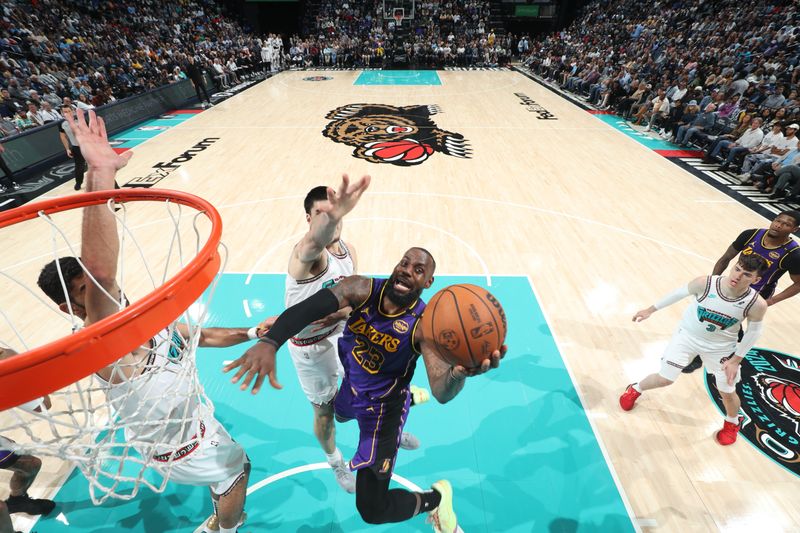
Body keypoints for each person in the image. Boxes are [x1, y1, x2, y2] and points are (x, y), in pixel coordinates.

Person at [37, 109, 260, 533]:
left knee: (232, 460)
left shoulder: (133, 318)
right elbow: (102, 275)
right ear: (70, 307)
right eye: (86, 293)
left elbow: (199, 335)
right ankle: (224, 528)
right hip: (182, 451)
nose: (103, 293)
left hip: (188, 427)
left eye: (93, 284)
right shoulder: (103, 341)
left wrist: (253, 332)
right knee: (238, 468)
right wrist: (98, 174)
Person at [225, 248, 506, 531]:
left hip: (384, 413)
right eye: (404, 262)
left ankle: (437, 499)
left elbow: (442, 392)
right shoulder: (361, 288)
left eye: (418, 270)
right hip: (354, 388)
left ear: (428, 283)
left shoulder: (423, 327)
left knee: (372, 510)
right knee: (340, 415)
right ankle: (408, 398)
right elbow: (308, 308)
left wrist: (459, 375)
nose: (407, 270)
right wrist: (272, 341)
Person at [620, 254, 769, 445]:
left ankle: (732, 422)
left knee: (727, 391)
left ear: (756, 280)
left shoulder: (756, 304)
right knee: (665, 379)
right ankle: (635, 388)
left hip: (721, 348)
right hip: (687, 337)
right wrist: (650, 310)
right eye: (737, 269)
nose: (738, 276)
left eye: (746, 274)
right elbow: (677, 293)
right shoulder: (705, 283)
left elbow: (753, 333)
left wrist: (735, 360)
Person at [683, 210, 800, 373]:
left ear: (794, 229)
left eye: (786, 224)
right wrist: (712, 282)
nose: (778, 225)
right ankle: (728, 338)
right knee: (718, 320)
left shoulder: (793, 254)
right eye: (777, 220)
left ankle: (705, 356)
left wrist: (771, 301)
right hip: (731, 285)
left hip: (756, 295)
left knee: (719, 321)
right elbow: (725, 258)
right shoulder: (751, 235)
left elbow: (798, 284)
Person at [58, 105, 86, 190]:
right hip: (76, 148)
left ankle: (113, 185)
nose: (67, 113)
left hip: (88, 146)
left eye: (69, 111)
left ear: (72, 111)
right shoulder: (62, 124)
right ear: (62, 113)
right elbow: (63, 137)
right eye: (65, 112)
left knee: (99, 165)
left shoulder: (81, 119)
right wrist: (67, 149)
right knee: (79, 167)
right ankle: (78, 183)